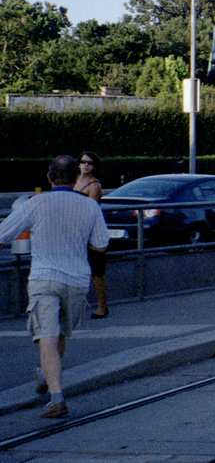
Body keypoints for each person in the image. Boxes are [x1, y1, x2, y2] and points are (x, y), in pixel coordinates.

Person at [0, 155, 109, 418]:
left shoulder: (34, 204)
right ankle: (47, 378)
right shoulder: (89, 207)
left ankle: (57, 396)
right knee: (59, 334)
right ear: (75, 179)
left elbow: (3, 235)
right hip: (77, 279)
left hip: (44, 277)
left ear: (49, 178)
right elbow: (101, 244)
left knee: (47, 337)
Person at [74, 151, 109, 318]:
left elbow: (91, 211)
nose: (85, 165)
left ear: (94, 166)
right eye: (83, 162)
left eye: (89, 162)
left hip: (91, 231)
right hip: (75, 229)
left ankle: (102, 306)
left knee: (96, 271)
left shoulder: (94, 186)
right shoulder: (74, 181)